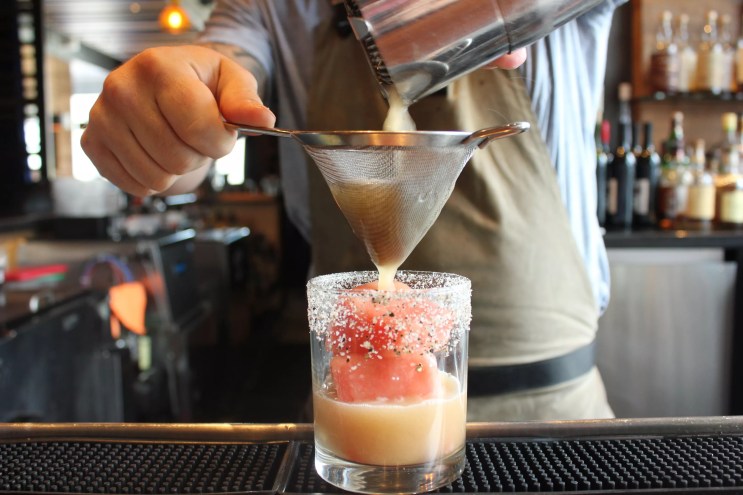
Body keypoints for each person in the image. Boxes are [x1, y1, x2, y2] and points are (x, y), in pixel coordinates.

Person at [82, 0, 627, 421]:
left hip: (553, 410)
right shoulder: (270, 7)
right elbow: (217, 85)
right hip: (353, 413)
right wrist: (170, 123)